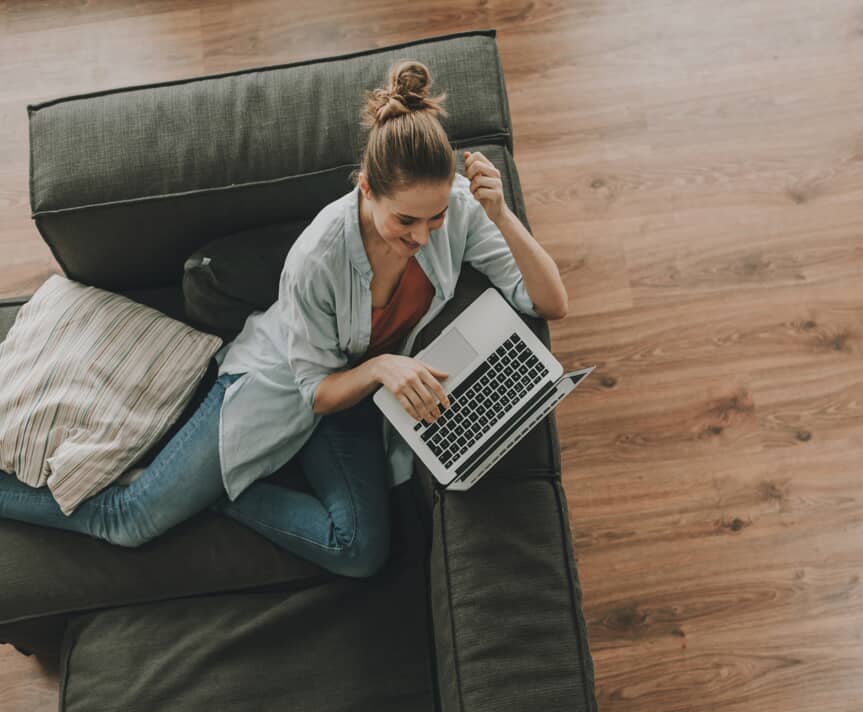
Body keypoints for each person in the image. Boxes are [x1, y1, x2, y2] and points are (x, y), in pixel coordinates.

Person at [0, 59, 569, 577]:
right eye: (406, 222)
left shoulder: (459, 208)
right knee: (129, 519)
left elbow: (550, 302)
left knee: (359, 550)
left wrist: (501, 215)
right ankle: (188, 483)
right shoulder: (319, 256)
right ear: (366, 189)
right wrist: (383, 369)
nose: (423, 238)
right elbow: (316, 391)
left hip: (354, 403)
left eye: (437, 217)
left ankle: (217, 493)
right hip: (281, 388)